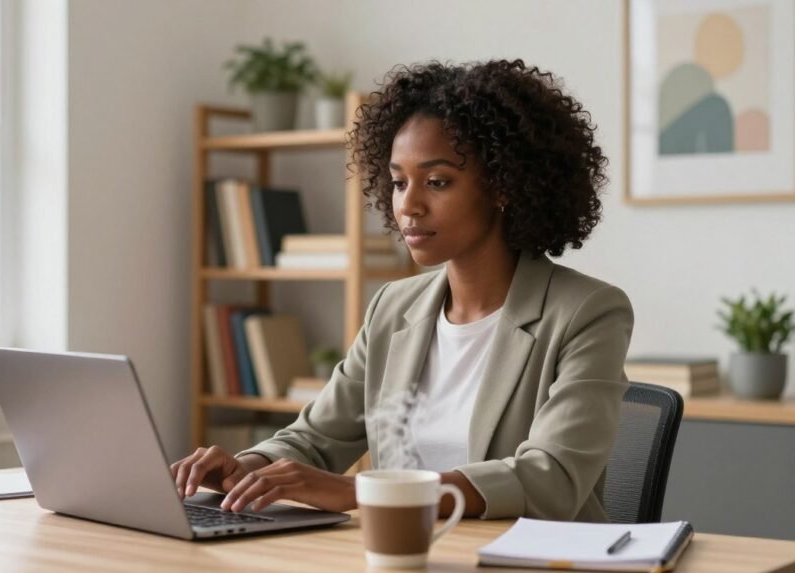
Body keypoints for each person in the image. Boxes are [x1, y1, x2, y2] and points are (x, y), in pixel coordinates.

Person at [172, 59, 633, 522]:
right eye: (397, 182)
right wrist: (246, 469)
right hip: (402, 559)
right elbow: (314, 438)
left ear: (503, 186)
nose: (407, 205)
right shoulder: (394, 308)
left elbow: (550, 478)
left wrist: (362, 491)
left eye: (437, 182)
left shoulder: (587, 312)